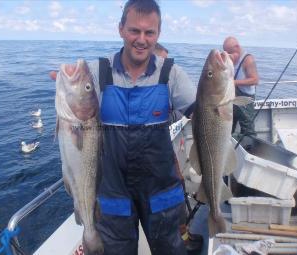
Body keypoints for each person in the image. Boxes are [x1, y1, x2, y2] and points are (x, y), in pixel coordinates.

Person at [54, 1, 196, 254]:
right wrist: (67, 88)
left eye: (149, 32)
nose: (141, 39)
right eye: (134, 31)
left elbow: (203, 114)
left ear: (158, 34)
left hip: (160, 191)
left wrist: (221, 100)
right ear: (121, 29)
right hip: (112, 194)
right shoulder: (98, 72)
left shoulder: (172, 74)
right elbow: (77, 108)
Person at [153, 42, 203, 252]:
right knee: (174, 191)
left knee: (177, 189)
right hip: (157, 154)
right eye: (161, 60)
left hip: (164, 146)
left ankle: (181, 234)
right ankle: (180, 238)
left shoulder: (166, 82)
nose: (164, 65)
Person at [223, 36, 259, 137]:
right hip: (233, 97)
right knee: (229, 126)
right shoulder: (233, 58)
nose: (229, 55)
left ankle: (250, 147)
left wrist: (234, 82)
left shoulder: (248, 59)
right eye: (227, 52)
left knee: (248, 130)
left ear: (237, 47)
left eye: (230, 52)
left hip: (245, 99)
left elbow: (255, 80)